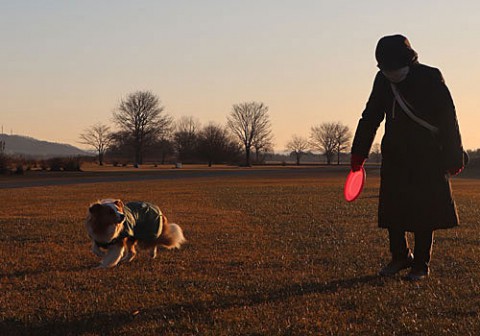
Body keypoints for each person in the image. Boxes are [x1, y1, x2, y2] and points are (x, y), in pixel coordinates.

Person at [351, 34, 465, 281]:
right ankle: (400, 256)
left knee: (425, 212)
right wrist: (358, 154)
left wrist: (454, 156)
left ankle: (421, 264)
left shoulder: (431, 77)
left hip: (428, 156)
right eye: (384, 68)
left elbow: (448, 119)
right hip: (395, 156)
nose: (389, 72)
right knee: (393, 210)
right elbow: (370, 117)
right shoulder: (382, 81)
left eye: (392, 67)